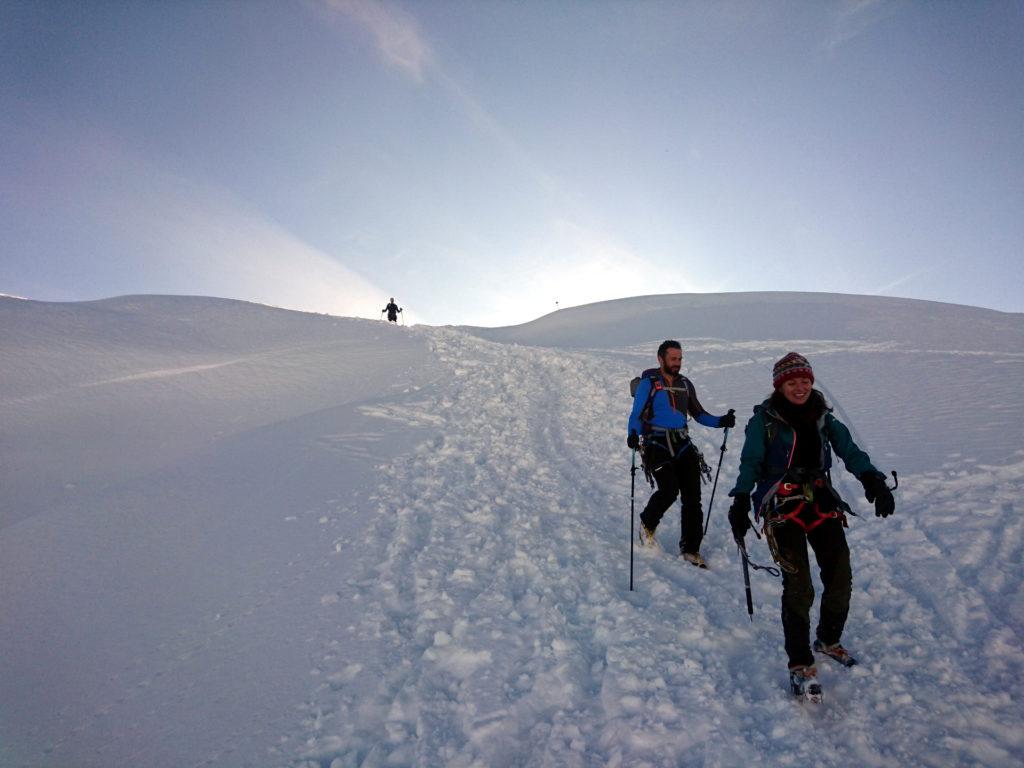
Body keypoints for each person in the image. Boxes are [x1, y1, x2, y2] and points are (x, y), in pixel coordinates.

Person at [726, 352, 895, 700]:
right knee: (799, 585)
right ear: (780, 385)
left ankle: (828, 639)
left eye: (805, 380)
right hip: (782, 505)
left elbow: (849, 450)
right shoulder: (765, 420)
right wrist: (742, 497)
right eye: (792, 382)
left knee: (839, 576)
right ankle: (800, 664)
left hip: (820, 502)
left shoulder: (822, 416)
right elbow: (751, 461)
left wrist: (872, 479)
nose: (800, 387)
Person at [627, 340, 736, 567]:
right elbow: (636, 415)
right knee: (668, 489)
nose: (677, 363)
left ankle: (691, 548)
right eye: (673, 358)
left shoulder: (685, 384)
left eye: (680, 359)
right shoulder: (649, 384)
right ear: (661, 359)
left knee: (692, 497)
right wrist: (632, 435)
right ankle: (647, 523)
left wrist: (721, 421)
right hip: (656, 443)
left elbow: (699, 414)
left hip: (682, 443)